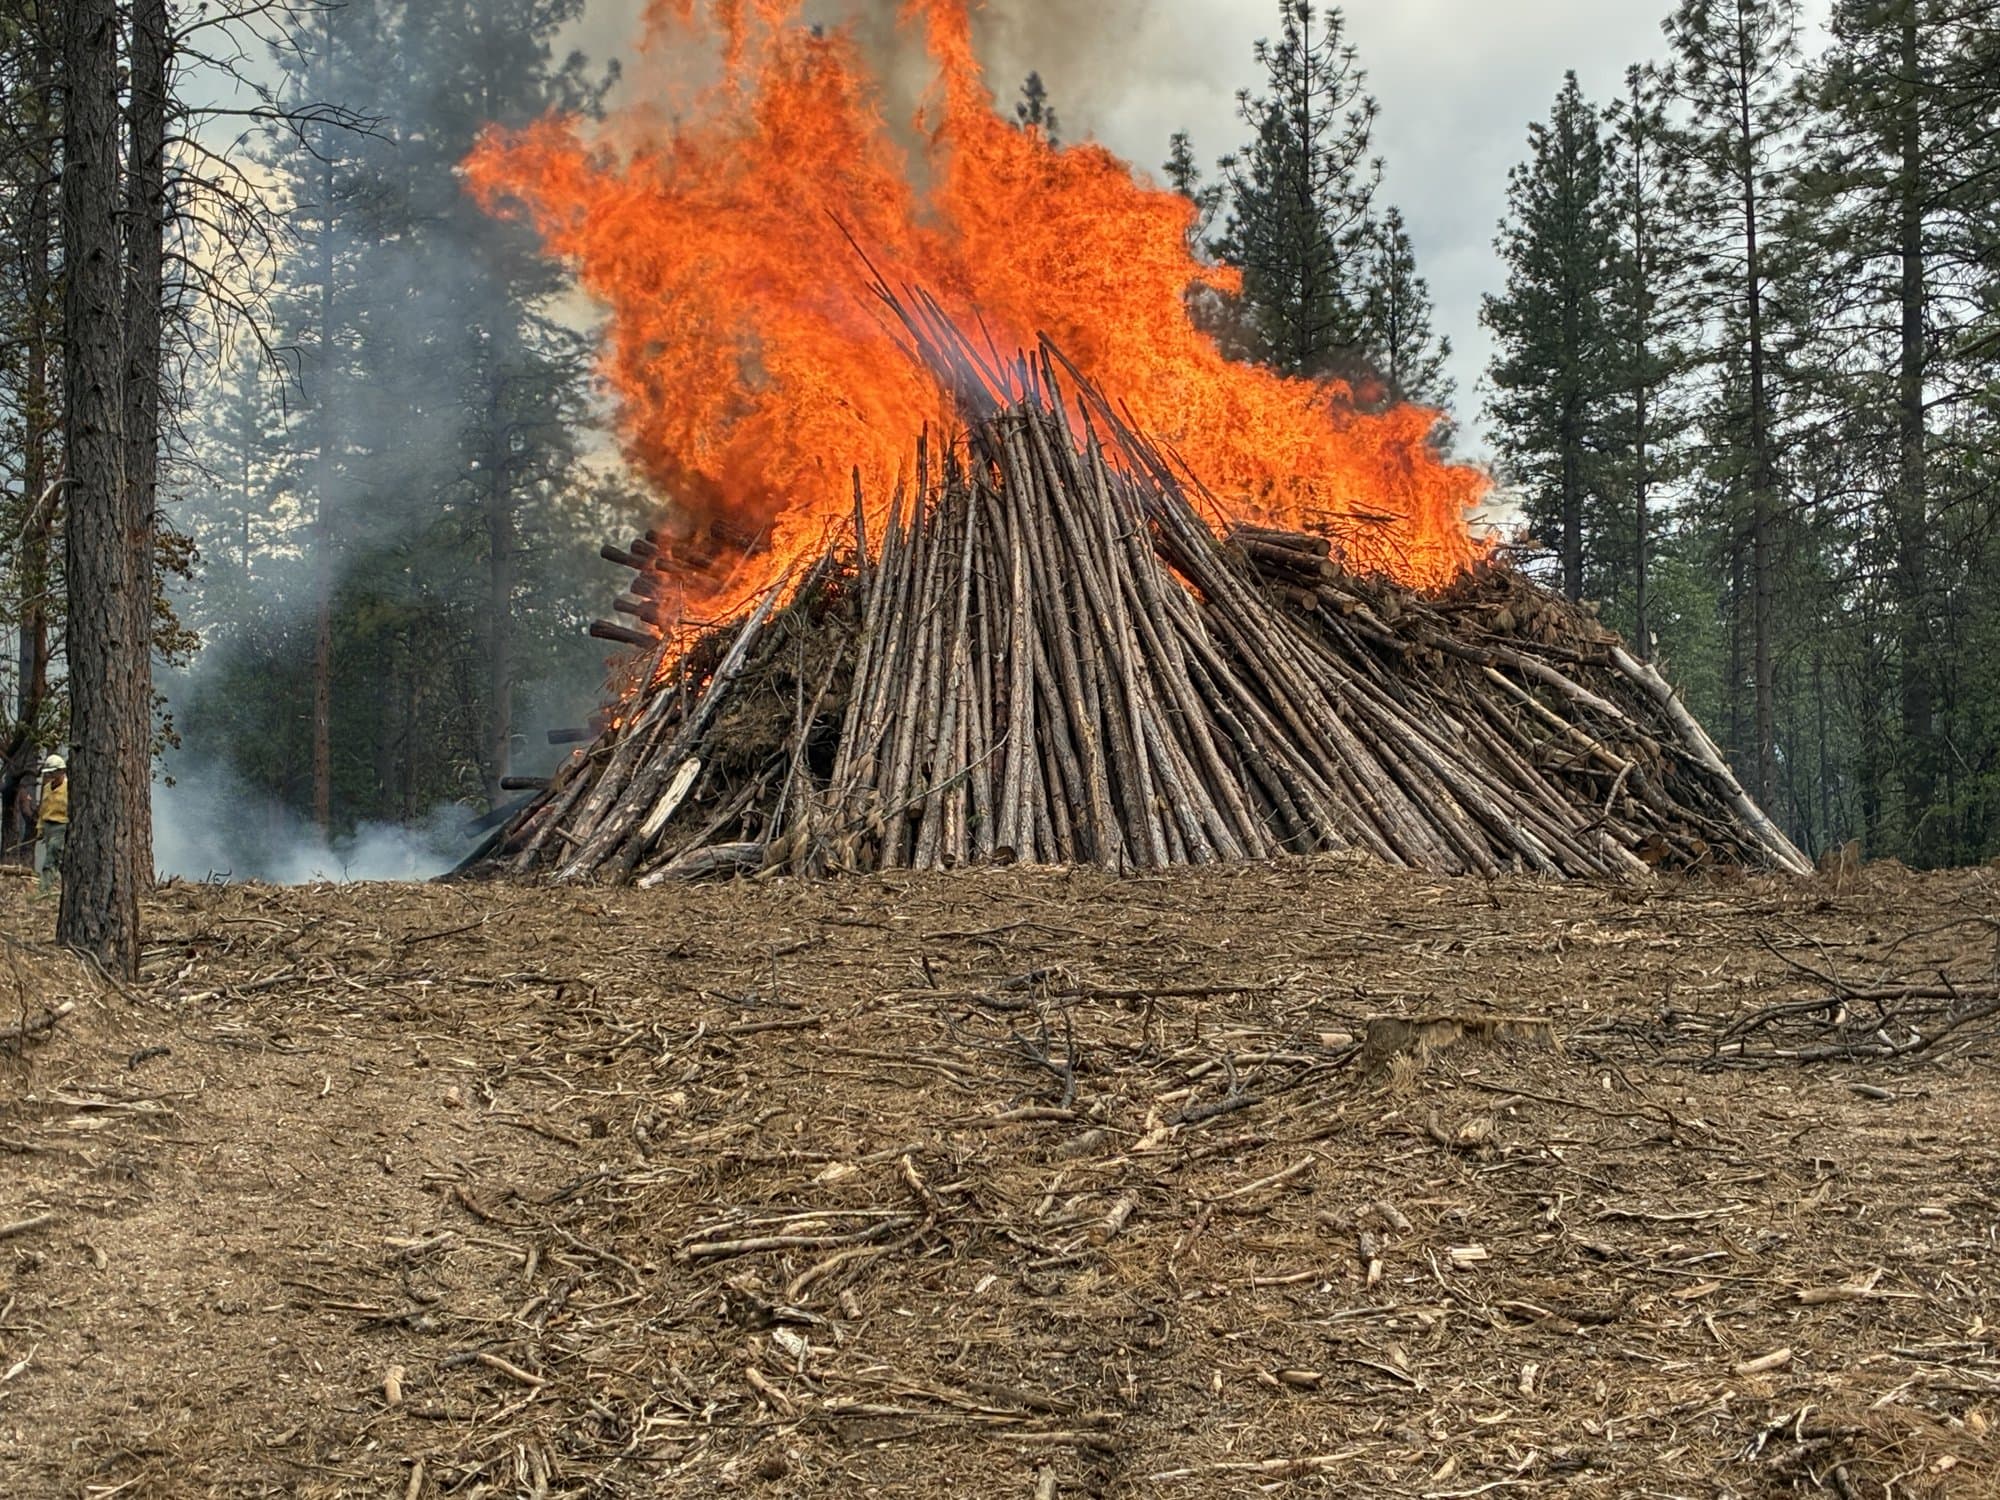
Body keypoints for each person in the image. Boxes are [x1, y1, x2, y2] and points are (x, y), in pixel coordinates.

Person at [34, 753, 67, 897]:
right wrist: (40, 828)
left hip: (60, 826)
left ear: (61, 771)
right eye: (49, 773)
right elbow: (43, 808)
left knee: (51, 857)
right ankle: (58, 886)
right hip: (47, 826)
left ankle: (44, 889)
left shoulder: (69, 788)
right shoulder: (47, 788)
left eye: (54, 773)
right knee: (55, 857)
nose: (52, 776)